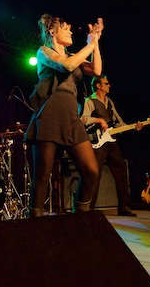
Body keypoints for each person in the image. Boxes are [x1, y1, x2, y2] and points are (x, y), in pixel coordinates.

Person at [23, 14, 103, 216]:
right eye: (65, 28)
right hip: (50, 114)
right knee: (43, 175)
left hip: (70, 118)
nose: (70, 31)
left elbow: (96, 69)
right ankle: (34, 219)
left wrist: (95, 43)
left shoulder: (75, 56)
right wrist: (89, 45)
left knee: (91, 171)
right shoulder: (44, 52)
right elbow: (66, 66)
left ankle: (80, 213)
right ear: (52, 31)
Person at [81, 75, 142, 216]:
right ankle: (89, 209)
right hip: (98, 142)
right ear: (98, 86)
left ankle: (124, 207)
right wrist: (99, 120)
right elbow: (83, 119)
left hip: (111, 141)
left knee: (120, 172)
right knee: (95, 175)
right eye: (106, 83)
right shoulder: (90, 101)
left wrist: (133, 127)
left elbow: (119, 122)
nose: (110, 86)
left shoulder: (109, 102)